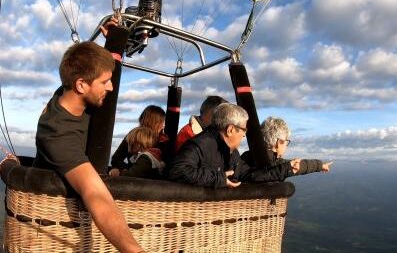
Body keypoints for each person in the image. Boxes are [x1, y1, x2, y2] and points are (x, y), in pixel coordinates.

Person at [32, 18, 143, 252]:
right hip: (56, 223)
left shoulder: (69, 91)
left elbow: (79, 64)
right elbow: (96, 195)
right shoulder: (56, 134)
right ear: (81, 86)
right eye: (105, 82)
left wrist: (109, 43)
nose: (111, 88)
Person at [168, 103, 332, 188]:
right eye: (243, 130)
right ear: (231, 129)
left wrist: (288, 168)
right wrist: (219, 179)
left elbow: (251, 175)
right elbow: (176, 171)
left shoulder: (231, 153)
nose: (245, 134)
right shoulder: (201, 144)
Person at [109, 105, 168, 177]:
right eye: (162, 122)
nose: (163, 125)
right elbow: (116, 159)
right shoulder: (134, 136)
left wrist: (125, 171)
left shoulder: (164, 141)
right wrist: (129, 169)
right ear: (155, 122)